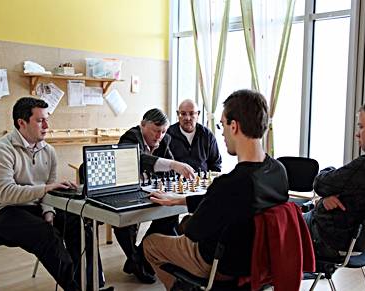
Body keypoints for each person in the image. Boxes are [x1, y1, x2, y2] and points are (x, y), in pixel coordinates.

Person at [142, 89, 289, 290]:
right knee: (184, 223)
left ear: (234, 126)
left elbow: (194, 232)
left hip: (220, 265)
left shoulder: (230, 184)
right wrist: (180, 200)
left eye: (222, 124)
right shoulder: (278, 171)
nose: (221, 132)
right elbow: (222, 204)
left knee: (150, 243)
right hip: (258, 263)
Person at [0, 97, 82, 291]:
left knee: (78, 223)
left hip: (29, 206)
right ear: (21, 123)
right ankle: (74, 288)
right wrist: (47, 190)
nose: (47, 125)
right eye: (40, 120)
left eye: (47, 119)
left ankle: (90, 284)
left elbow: (49, 188)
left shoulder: (48, 151)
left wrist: (49, 210)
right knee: (45, 233)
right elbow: (5, 195)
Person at [304, 98, 365, 259]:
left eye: (361, 126)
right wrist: (326, 198)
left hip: (327, 240)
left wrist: (328, 188)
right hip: (353, 242)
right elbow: (345, 188)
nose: (357, 133)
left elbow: (320, 183)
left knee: (273, 224)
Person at [113, 108, 195, 284]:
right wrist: (173, 164)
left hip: (149, 190)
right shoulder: (131, 137)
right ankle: (137, 260)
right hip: (124, 191)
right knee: (124, 223)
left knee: (170, 214)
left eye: (163, 131)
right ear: (143, 125)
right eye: (156, 130)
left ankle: (137, 260)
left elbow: (170, 173)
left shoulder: (163, 139)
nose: (160, 135)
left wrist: (174, 168)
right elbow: (138, 159)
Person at [167, 99, 222, 172]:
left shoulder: (207, 135)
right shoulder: (168, 134)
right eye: (183, 114)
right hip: (175, 182)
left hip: (202, 181)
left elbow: (216, 164)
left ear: (198, 114)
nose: (187, 118)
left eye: (192, 113)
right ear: (178, 114)